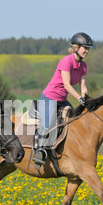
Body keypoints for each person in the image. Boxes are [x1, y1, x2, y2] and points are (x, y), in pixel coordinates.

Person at [32, 32, 95, 169]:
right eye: (85, 48)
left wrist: (87, 99)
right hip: (49, 98)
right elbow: (67, 84)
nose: (87, 51)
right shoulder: (66, 61)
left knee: (75, 120)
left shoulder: (83, 66)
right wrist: (78, 98)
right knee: (48, 125)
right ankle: (39, 151)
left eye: (88, 48)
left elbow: (83, 86)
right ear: (76, 48)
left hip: (62, 100)